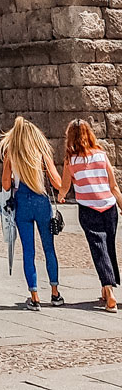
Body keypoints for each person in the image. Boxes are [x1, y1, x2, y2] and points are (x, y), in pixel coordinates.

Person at [0, 115, 65, 310]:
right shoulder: (41, 153)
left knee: (29, 251)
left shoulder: (12, 154)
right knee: (49, 249)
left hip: (22, 203)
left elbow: (5, 184)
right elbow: (56, 181)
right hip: (41, 200)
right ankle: (54, 293)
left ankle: (34, 296)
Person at [58, 119, 122, 312]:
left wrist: (60, 196)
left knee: (98, 248)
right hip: (108, 207)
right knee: (108, 245)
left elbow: (65, 186)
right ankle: (106, 287)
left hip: (88, 208)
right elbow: (114, 186)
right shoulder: (101, 156)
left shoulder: (71, 160)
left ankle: (109, 291)